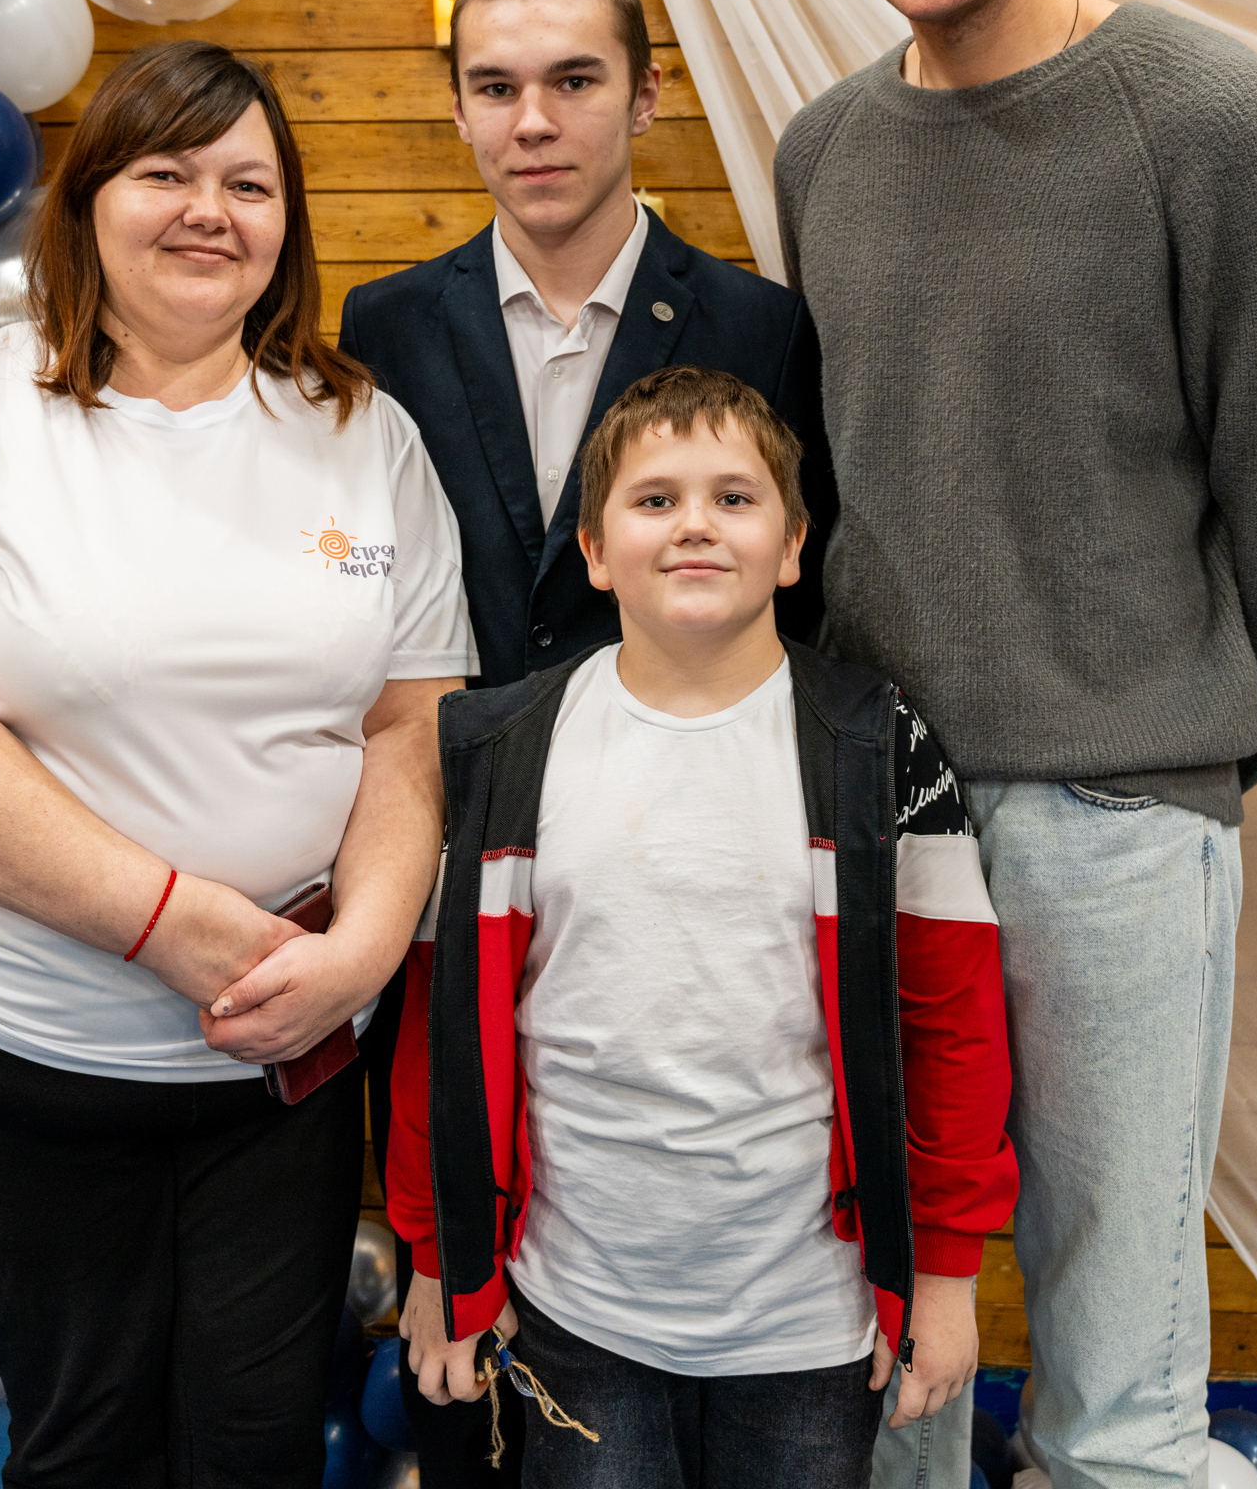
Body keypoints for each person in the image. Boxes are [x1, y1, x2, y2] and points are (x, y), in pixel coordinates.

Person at [774, 0, 1257, 1489]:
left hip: (1119, 824)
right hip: (879, 825)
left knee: (1119, 1389)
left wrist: (1173, 748)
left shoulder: (1204, 115)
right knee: (880, 1349)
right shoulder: (825, 152)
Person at [0, 40, 477, 1489]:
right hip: (23, 1041)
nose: (208, 211)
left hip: (287, 1052)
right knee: (89, 1444)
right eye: (166, 171)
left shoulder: (363, 433)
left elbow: (409, 725)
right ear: (90, 198)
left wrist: (361, 953)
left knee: (256, 1447)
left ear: (288, 223)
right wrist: (168, 922)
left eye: (249, 183)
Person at [387, 366, 1016, 1489]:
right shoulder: (504, 749)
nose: (694, 524)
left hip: (809, 1324)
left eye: (734, 497)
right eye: (655, 498)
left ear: (792, 544)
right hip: (577, 1309)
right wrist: (440, 1260)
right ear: (593, 550)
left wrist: (947, 1272)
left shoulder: (878, 746)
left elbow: (953, 1024)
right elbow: (442, 1036)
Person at [339, 0, 835, 690]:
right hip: (452, 750)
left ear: (644, 97)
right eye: (496, 88)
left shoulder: (763, 329)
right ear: (460, 111)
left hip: (683, 745)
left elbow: (797, 597)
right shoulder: (386, 326)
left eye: (573, 81)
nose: (533, 122)